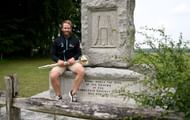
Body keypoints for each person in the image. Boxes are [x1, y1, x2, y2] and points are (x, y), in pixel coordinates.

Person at [49, 20, 85, 102]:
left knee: (81, 71)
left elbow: (79, 53)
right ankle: (58, 96)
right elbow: (52, 55)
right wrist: (58, 60)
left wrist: (74, 58)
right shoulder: (57, 40)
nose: (66, 29)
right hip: (61, 64)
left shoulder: (75, 40)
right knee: (53, 75)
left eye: (68, 28)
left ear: (71, 29)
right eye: (65, 28)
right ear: (62, 29)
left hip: (71, 63)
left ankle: (73, 93)